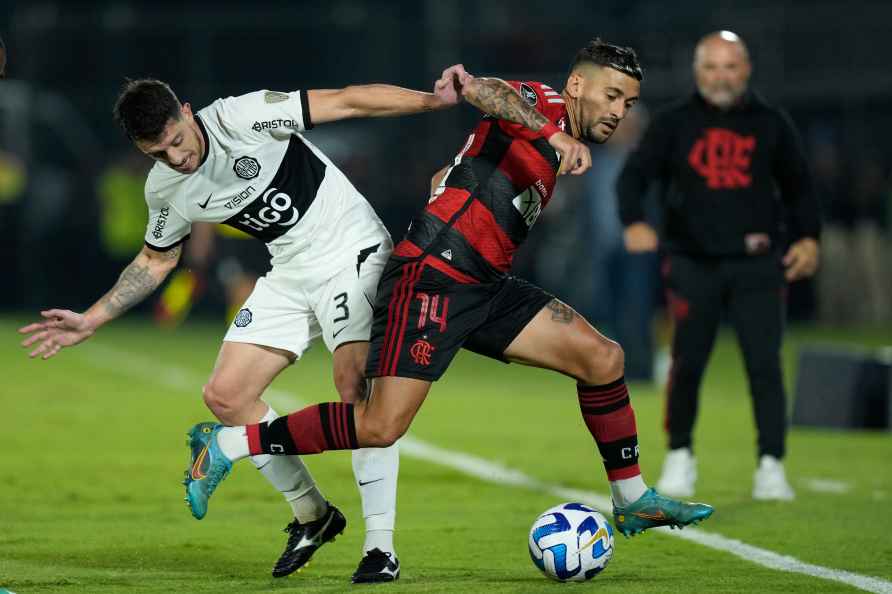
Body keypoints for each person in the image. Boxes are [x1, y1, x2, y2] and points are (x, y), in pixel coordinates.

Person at [186, 38, 714, 560]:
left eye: (629, 103)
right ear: (577, 85)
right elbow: (485, 91)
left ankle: (630, 499)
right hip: (434, 277)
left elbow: (462, 167)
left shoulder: (556, 136)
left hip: (486, 284)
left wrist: (460, 177)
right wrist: (552, 133)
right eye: (612, 95)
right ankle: (229, 445)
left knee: (603, 358)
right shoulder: (544, 105)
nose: (619, 111)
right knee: (379, 425)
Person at [18, 74, 467, 583]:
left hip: (350, 251)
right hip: (289, 272)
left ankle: (380, 548)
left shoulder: (244, 117)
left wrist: (432, 101)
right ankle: (314, 516)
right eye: (158, 152)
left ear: (188, 112)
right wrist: (93, 318)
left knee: (353, 384)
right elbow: (155, 259)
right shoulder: (165, 187)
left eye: (177, 141)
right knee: (226, 396)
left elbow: (345, 101)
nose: (176, 158)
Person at [616, 31, 821, 500]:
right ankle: (680, 457)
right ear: (697, 72)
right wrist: (633, 222)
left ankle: (771, 465)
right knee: (686, 365)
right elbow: (634, 176)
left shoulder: (772, 123)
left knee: (764, 366)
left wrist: (809, 238)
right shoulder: (673, 123)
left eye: (730, 67)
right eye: (711, 67)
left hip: (759, 264)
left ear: (746, 69)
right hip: (692, 263)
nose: (721, 76)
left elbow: (800, 188)